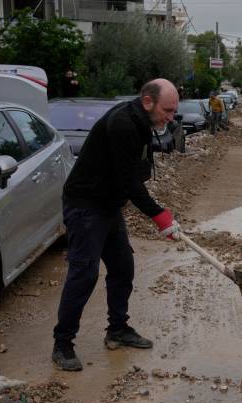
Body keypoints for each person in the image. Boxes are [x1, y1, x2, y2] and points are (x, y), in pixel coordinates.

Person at [51, 79, 181, 372]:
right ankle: (62, 343)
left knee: (123, 268)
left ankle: (118, 330)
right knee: (84, 274)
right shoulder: (122, 124)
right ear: (148, 101)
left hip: (108, 205)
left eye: (173, 112)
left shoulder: (141, 122)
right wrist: (160, 216)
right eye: (168, 110)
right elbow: (129, 181)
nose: (171, 117)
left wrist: (159, 213)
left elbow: (135, 173)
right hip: (85, 205)